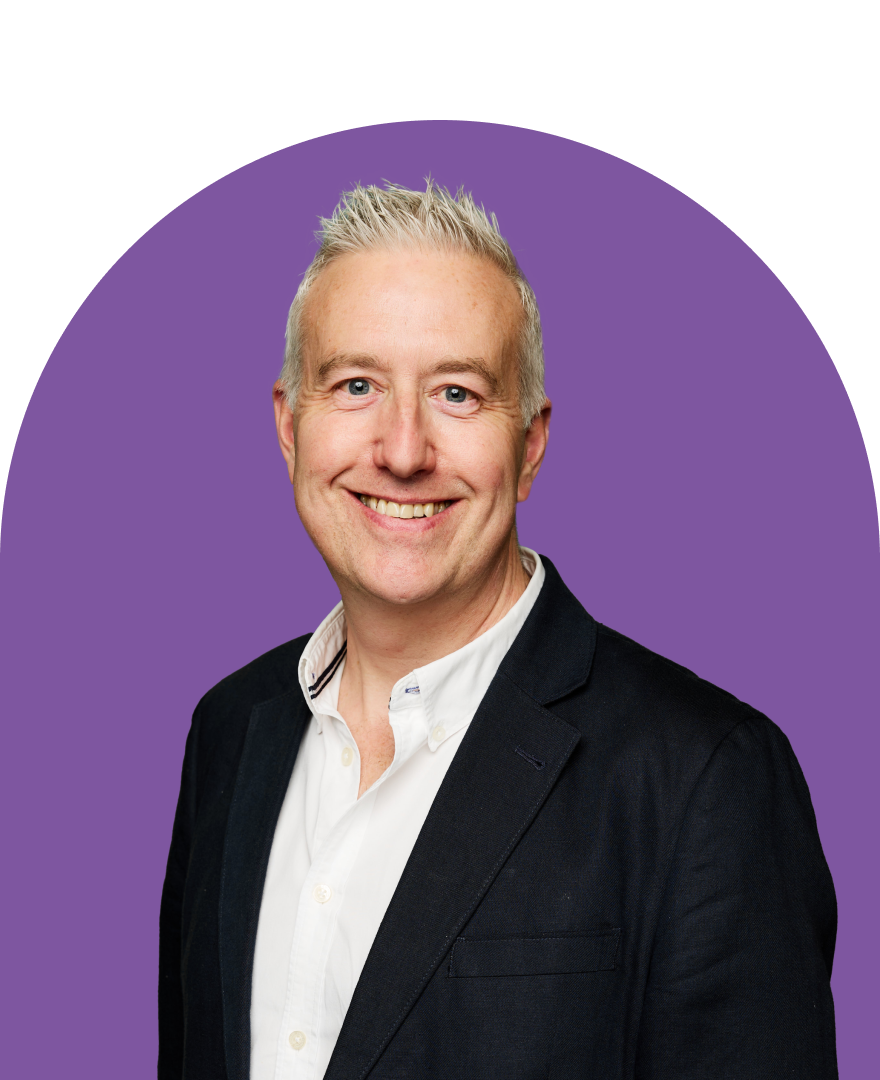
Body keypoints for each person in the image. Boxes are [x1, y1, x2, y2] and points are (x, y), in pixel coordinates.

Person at [158, 180, 838, 1079]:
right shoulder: (228, 731)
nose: (403, 451)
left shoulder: (705, 779)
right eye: (355, 385)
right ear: (290, 427)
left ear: (531, 444)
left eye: (458, 393)